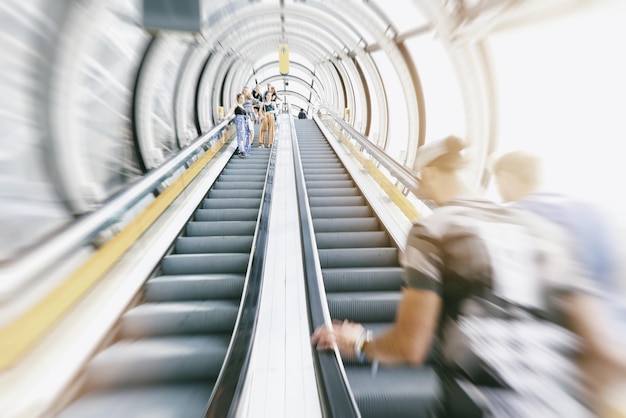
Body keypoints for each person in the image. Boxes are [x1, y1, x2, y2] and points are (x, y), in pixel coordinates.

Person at [311, 135, 624, 415]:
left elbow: (410, 345)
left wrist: (361, 343)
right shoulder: (547, 233)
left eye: (423, 178)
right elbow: (600, 351)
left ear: (431, 173)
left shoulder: (436, 229)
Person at [491, 150, 626, 407]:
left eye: (497, 181)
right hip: (616, 336)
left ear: (506, 177)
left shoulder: (517, 220)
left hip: (568, 356)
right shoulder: (594, 211)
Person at [225, 93, 250, 157]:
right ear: (238, 98)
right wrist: (226, 117)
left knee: (244, 135)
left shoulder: (242, 106)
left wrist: (247, 117)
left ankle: (243, 149)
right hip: (239, 120)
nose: (242, 100)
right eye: (241, 98)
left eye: (243, 98)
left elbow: (245, 114)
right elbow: (231, 112)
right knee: (240, 135)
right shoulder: (236, 105)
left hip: (244, 121)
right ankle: (241, 150)